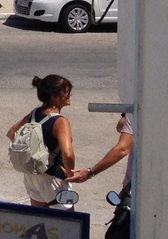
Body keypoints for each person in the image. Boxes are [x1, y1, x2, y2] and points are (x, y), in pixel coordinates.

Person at [8, 73, 76, 206]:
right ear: (54, 96)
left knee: (40, 221)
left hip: (32, 175)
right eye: (66, 92)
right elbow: (68, 154)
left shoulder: (34, 114)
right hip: (53, 179)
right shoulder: (60, 122)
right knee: (68, 223)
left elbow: (12, 133)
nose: (69, 95)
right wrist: (70, 175)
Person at [68, 113, 134, 192]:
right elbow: (120, 126)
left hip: (135, 187)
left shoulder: (137, 113)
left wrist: (91, 172)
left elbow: (123, 149)